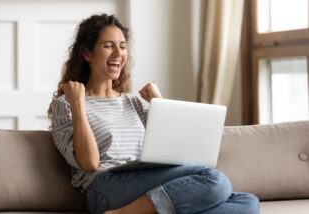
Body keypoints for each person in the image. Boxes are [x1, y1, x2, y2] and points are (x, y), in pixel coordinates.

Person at [48, 13, 259, 214]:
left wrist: (160, 104)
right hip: (106, 186)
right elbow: (90, 163)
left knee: (247, 202)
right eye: (108, 46)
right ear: (87, 53)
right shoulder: (67, 104)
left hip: (148, 179)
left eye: (122, 47)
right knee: (216, 181)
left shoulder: (134, 103)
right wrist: (78, 105)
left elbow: (177, 153)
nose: (118, 54)